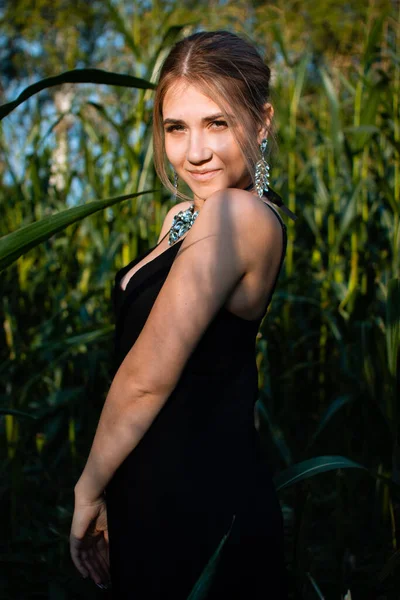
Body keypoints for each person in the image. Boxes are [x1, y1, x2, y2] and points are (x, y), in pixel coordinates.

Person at [70, 30, 296, 599]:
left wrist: (88, 488)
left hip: (200, 509)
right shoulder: (185, 217)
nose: (195, 151)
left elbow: (147, 379)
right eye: (177, 127)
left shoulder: (237, 216)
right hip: (151, 496)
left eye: (217, 123)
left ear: (262, 122)